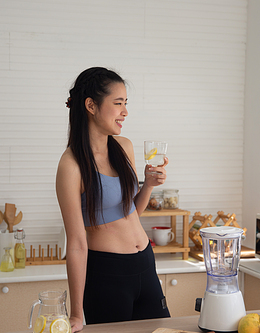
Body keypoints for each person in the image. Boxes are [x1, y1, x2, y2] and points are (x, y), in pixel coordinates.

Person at [55, 67, 170, 332]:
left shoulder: (124, 147)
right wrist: (75, 313)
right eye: (118, 103)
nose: (125, 112)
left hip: (145, 264)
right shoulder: (71, 166)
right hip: (107, 275)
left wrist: (149, 185)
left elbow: (131, 213)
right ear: (91, 106)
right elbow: (76, 243)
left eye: (125, 104)